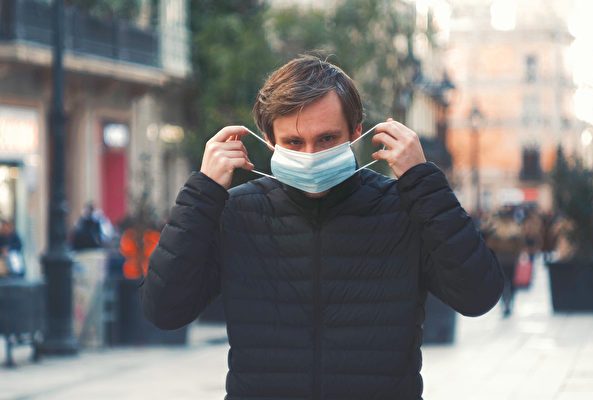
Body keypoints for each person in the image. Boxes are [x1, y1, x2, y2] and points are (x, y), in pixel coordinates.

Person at [141, 56, 504, 399]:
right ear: (269, 141)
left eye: (327, 139)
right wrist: (203, 193)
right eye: (294, 142)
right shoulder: (236, 211)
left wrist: (424, 183)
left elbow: (478, 296)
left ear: (356, 133)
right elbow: (165, 311)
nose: (311, 155)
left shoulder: (404, 208)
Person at [481, 206, 524, 317]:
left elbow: (490, 245)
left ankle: (506, 303)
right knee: (511, 282)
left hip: (500, 260)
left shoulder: (496, 229)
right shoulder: (515, 228)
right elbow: (520, 245)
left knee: (503, 283)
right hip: (510, 259)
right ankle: (509, 302)